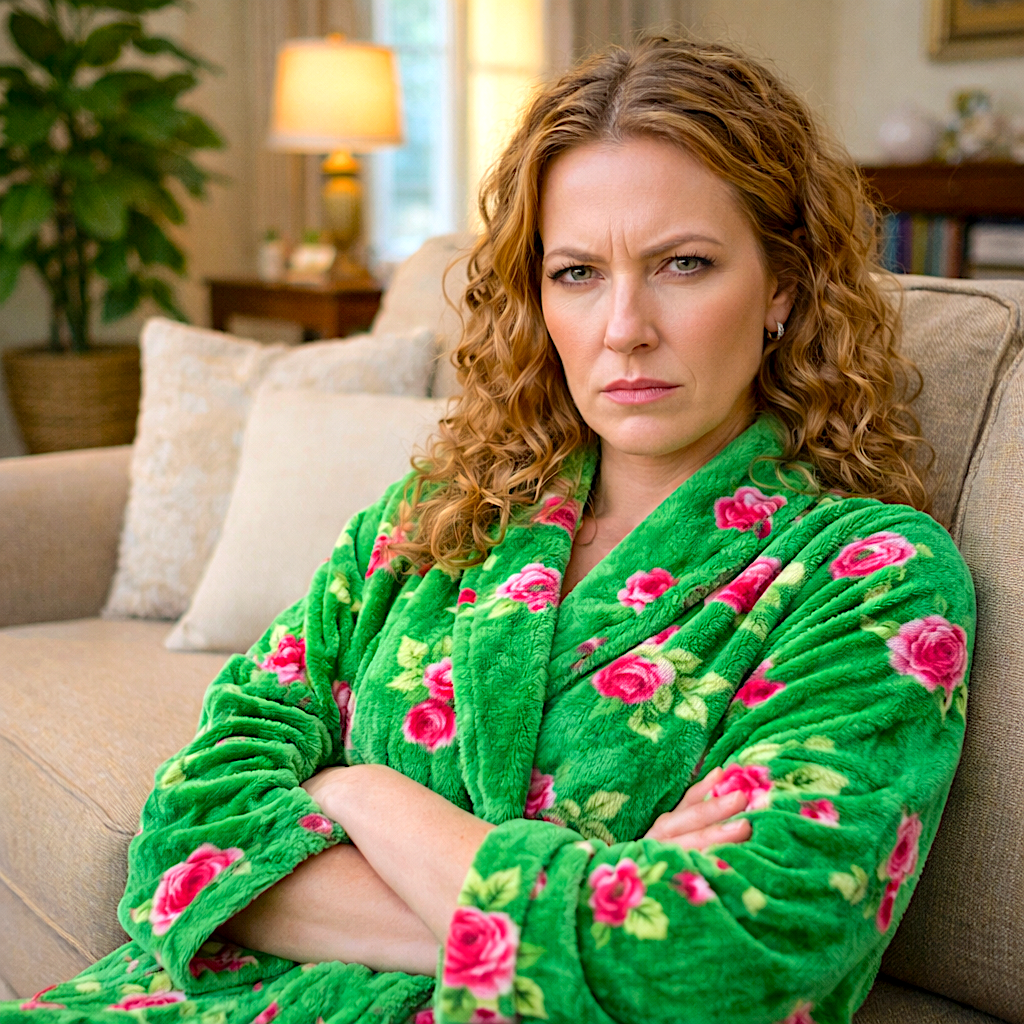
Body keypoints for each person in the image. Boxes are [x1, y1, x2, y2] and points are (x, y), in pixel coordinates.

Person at [2, 34, 974, 1024]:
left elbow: (719, 971)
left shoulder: (872, 578)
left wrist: (359, 796)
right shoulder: (441, 513)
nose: (624, 327)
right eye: (577, 272)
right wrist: (570, 913)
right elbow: (182, 833)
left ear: (782, 287)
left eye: (683, 264)